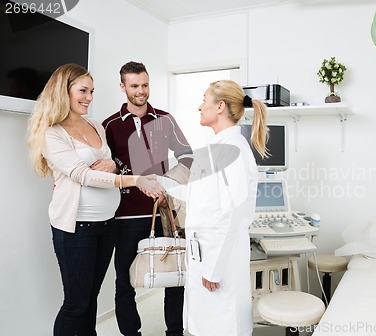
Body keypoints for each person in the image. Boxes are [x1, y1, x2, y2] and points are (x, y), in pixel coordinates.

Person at [26, 63, 164, 336]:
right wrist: (134, 179)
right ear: (63, 92)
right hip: (77, 228)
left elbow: (108, 161)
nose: (89, 97)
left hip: (106, 226)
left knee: (90, 298)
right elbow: (82, 174)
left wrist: (113, 165)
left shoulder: (95, 125)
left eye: (92, 91)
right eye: (83, 91)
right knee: (75, 304)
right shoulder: (52, 132)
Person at [157, 79, 269, 336]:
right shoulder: (218, 148)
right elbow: (204, 196)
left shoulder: (234, 150)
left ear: (219, 106)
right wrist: (163, 186)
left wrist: (214, 269)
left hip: (219, 261)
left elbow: (233, 214)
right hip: (204, 253)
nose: (199, 106)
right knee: (205, 324)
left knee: (221, 326)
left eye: (204, 100)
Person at [102, 61, 193, 336]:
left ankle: (174, 332)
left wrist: (166, 185)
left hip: (164, 212)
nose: (141, 91)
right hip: (125, 215)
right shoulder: (109, 126)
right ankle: (131, 333)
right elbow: (106, 168)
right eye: (134, 86)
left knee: (176, 276)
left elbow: (188, 156)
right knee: (125, 282)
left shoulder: (165, 119)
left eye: (144, 85)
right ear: (123, 87)